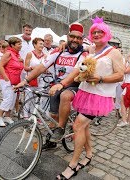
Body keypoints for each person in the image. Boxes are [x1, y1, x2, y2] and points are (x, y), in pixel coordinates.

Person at [52, 16, 124, 180]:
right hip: (85, 93)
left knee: (78, 125)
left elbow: (120, 75)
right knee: (83, 127)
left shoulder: (114, 52)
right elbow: (77, 70)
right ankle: (89, 154)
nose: (97, 34)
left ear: (106, 34)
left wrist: (100, 79)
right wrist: (62, 84)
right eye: (94, 32)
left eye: (100, 31)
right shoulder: (90, 50)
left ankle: (73, 165)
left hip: (99, 96)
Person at [14, 22, 88, 150]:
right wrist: (25, 80)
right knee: (53, 115)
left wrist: (61, 84)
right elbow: (41, 67)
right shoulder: (58, 51)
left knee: (65, 95)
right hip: (56, 86)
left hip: (74, 87)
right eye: (72, 36)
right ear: (67, 37)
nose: (75, 40)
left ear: (82, 40)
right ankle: (51, 140)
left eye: (79, 38)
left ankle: (61, 128)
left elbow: (77, 72)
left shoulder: (84, 55)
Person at [0, 37, 24, 127]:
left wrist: (21, 61)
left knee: (13, 99)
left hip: (15, 80)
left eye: (21, 44)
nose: (20, 46)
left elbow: (15, 65)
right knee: (8, 98)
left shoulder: (17, 54)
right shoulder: (8, 53)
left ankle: (7, 116)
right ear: (12, 45)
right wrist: (6, 78)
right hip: (7, 80)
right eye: (18, 44)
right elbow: (0, 65)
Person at [22, 37, 47, 119]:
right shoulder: (30, 54)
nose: (42, 46)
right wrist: (32, 68)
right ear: (34, 45)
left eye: (43, 44)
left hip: (41, 79)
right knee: (28, 97)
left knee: (37, 98)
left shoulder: (45, 55)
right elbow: (25, 67)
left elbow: (46, 68)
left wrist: (44, 70)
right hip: (31, 78)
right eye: (40, 44)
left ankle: (34, 115)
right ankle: (25, 115)